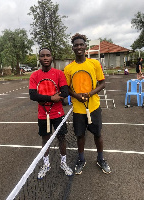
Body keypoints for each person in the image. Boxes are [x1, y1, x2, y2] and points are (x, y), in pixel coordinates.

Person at [64, 33, 111, 175]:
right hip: (78, 109)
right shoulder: (68, 69)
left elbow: (102, 83)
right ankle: (81, 159)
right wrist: (76, 96)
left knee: (97, 134)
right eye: (76, 45)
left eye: (81, 44)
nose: (79, 47)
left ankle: (101, 159)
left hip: (94, 107)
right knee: (80, 136)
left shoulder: (95, 64)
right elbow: (67, 88)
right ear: (73, 48)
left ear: (85, 47)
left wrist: (90, 94)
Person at [29, 48, 73, 179]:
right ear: (39, 58)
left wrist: (43, 98)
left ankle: (63, 163)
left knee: (62, 138)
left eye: (48, 55)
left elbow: (65, 92)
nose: (45, 58)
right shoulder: (34, 76)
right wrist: (50, 98)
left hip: (58, 113)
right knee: (45, 139)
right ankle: (46, 164)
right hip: (43, 114)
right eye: (42, 56)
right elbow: (32, 95)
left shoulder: (59, 74)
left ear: (52, 57)